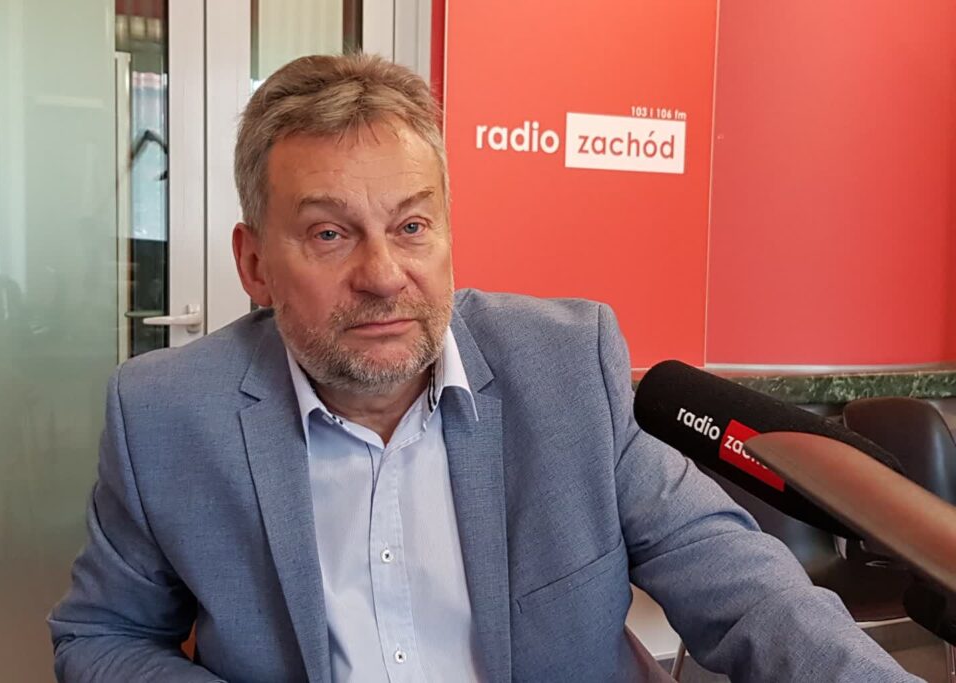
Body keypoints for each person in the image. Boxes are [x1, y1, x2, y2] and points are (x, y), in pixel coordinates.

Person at [48, 54, 918, 682]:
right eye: (330, 233)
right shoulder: (164, 414)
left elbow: (748, 591)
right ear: (254, 265)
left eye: (412, 226)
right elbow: (100, 636)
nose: (383, 274)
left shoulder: (568, 368)